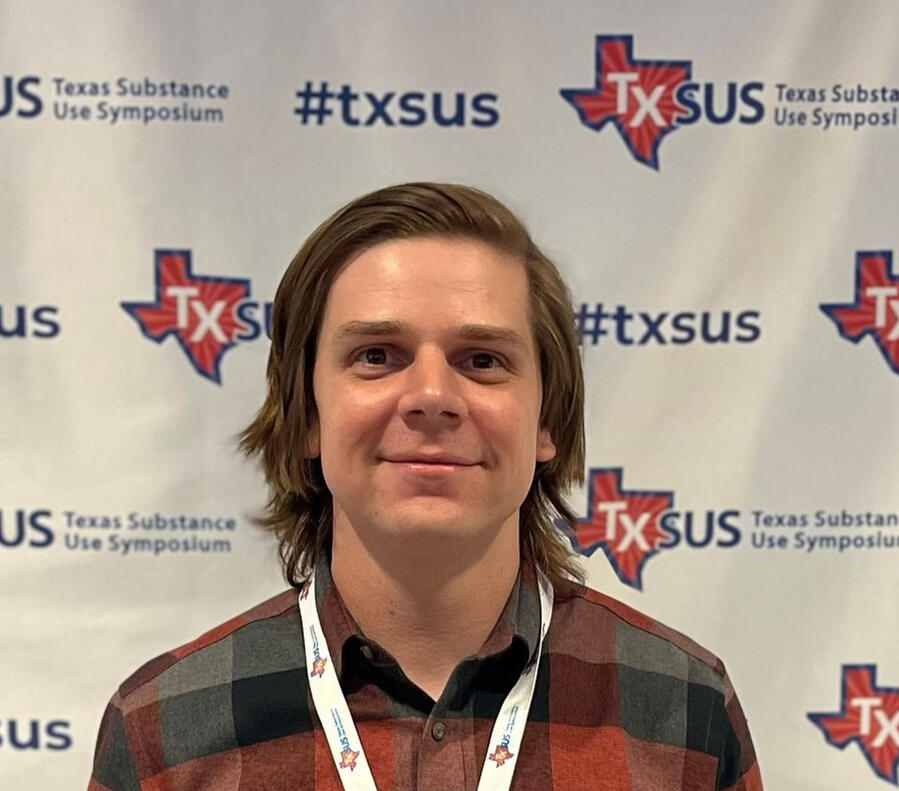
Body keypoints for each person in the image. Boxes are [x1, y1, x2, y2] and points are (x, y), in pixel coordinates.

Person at [88, 182, 762, 790]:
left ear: (547, 421)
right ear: (307, 416)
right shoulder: (163, 730)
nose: (432, 396)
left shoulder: (684, 708)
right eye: (377, 355)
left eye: (483, 360)